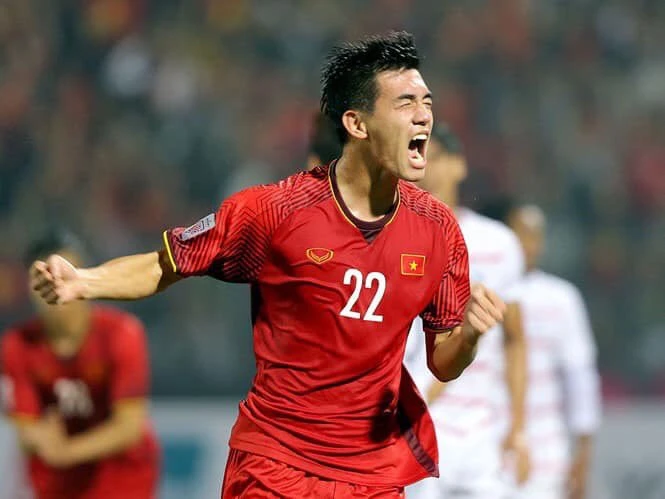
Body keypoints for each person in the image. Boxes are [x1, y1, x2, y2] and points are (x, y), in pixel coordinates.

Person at [30, 32, 506, 497]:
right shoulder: (277, 211)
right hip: (276, 466)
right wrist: (83, 282)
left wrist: (468, 335)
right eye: (405, 103)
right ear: (357, 124)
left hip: (372, 477)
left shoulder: (439, 229)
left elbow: (444, 362)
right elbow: (166, 264)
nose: (424, 115)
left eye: (426, 102)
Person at [404, 125, 530, 499]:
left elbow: (515, 340)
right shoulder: (394, 238)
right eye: (417, 158)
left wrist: (518, 428)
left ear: (459, 165)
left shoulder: (499, 243)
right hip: (417, 423)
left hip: (483, 431)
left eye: (435, 157)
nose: (426, 168)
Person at [0, 230, 160, 499]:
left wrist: (67, 451)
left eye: (63, 274)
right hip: (57, 484)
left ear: (83, 275)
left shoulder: (121, 333)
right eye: (43, 278)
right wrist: (42, 441)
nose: (55, 286)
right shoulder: (18, 345)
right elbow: (26, 430)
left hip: (123, 478)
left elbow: (129, 427)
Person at [504, 204, 601, 499]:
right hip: (493, 442)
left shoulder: (562, 298)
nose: (526, 244)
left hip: (546, 448)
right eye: (519, 234)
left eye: (533, 236)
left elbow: (580, 376)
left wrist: (583, 452)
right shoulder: (486, 291)